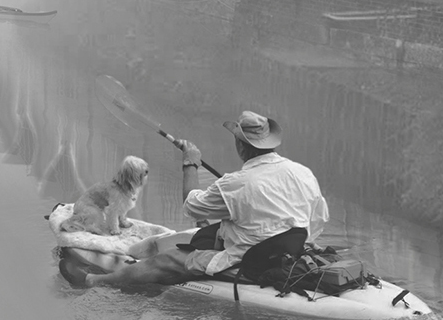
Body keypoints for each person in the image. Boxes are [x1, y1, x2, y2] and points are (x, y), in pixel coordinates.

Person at [62, 110, 328, 287]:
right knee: (203, 233)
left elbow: (191, 206)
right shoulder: (303, 173)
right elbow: (318, 219)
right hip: (288, 250)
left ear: (239, 145)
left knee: (165, 260)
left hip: (249, 258)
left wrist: (190, 164)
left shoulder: (237, 183)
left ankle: (93, 282)